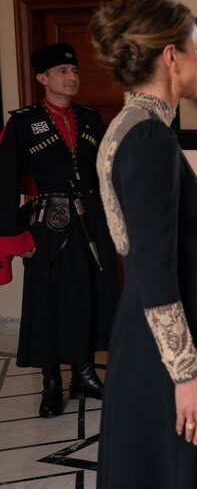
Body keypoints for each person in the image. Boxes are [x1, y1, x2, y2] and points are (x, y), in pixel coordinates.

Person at [90, 0, 197, 489]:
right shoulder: (147, 137)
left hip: (154, 333)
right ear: (171, 58)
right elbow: (152, 266)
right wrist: (185, 375)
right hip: (165, 347)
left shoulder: (134, 126)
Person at [0, 42, 119, 418]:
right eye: (63, 72)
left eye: (75, 71)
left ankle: (83, 373)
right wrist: (13, 237)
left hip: (91, 219)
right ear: (42, 78)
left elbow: (105, 174)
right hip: (48, 224)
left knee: (88, 296)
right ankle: (52, 381)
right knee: (49, 302)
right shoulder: (22, 123)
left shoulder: (90, 118)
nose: (72, 78)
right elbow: (4, 183)